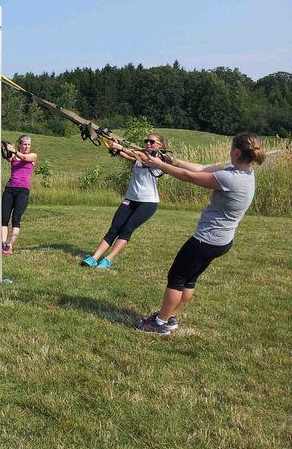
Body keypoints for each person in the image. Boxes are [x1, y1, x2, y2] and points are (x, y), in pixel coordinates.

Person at [135, 133, 265, 335]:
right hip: (221, 241)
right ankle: (170, 317)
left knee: (176, 277)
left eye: (231, 148)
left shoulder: (229, 178)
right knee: (189, 279)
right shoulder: (243, 173)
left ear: (237, 151)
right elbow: (201, 168)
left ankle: (159, 323)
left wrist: (159, 165)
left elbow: (190, 177)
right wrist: (173, 161)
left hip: (207, 240)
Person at [81, 134, 166, 269]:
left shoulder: (158, 159)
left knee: (127, 229)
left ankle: (108, 259)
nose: (148, 143)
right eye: (146, 141)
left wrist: (120, 146)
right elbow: (128, 156)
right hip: (130, 199)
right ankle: (94, 257)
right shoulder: (139, 158)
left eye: (151, 141)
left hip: (148, 203)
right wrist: (113, 146)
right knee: (114, 228)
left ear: (160, 145)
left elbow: (143, 157)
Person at [1, 135, 37, 255]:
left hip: (23, 191)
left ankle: (10, 245)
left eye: (29, 144)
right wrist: (3, 147)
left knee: (16, 218)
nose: (27, 146)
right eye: (24, 144)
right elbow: (5, 154)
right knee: (4, 218)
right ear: (20, 145)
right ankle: (2, 244)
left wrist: (14, 150)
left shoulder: (32, 156)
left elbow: (24, 158)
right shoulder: (13, 156)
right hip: (10, 189)